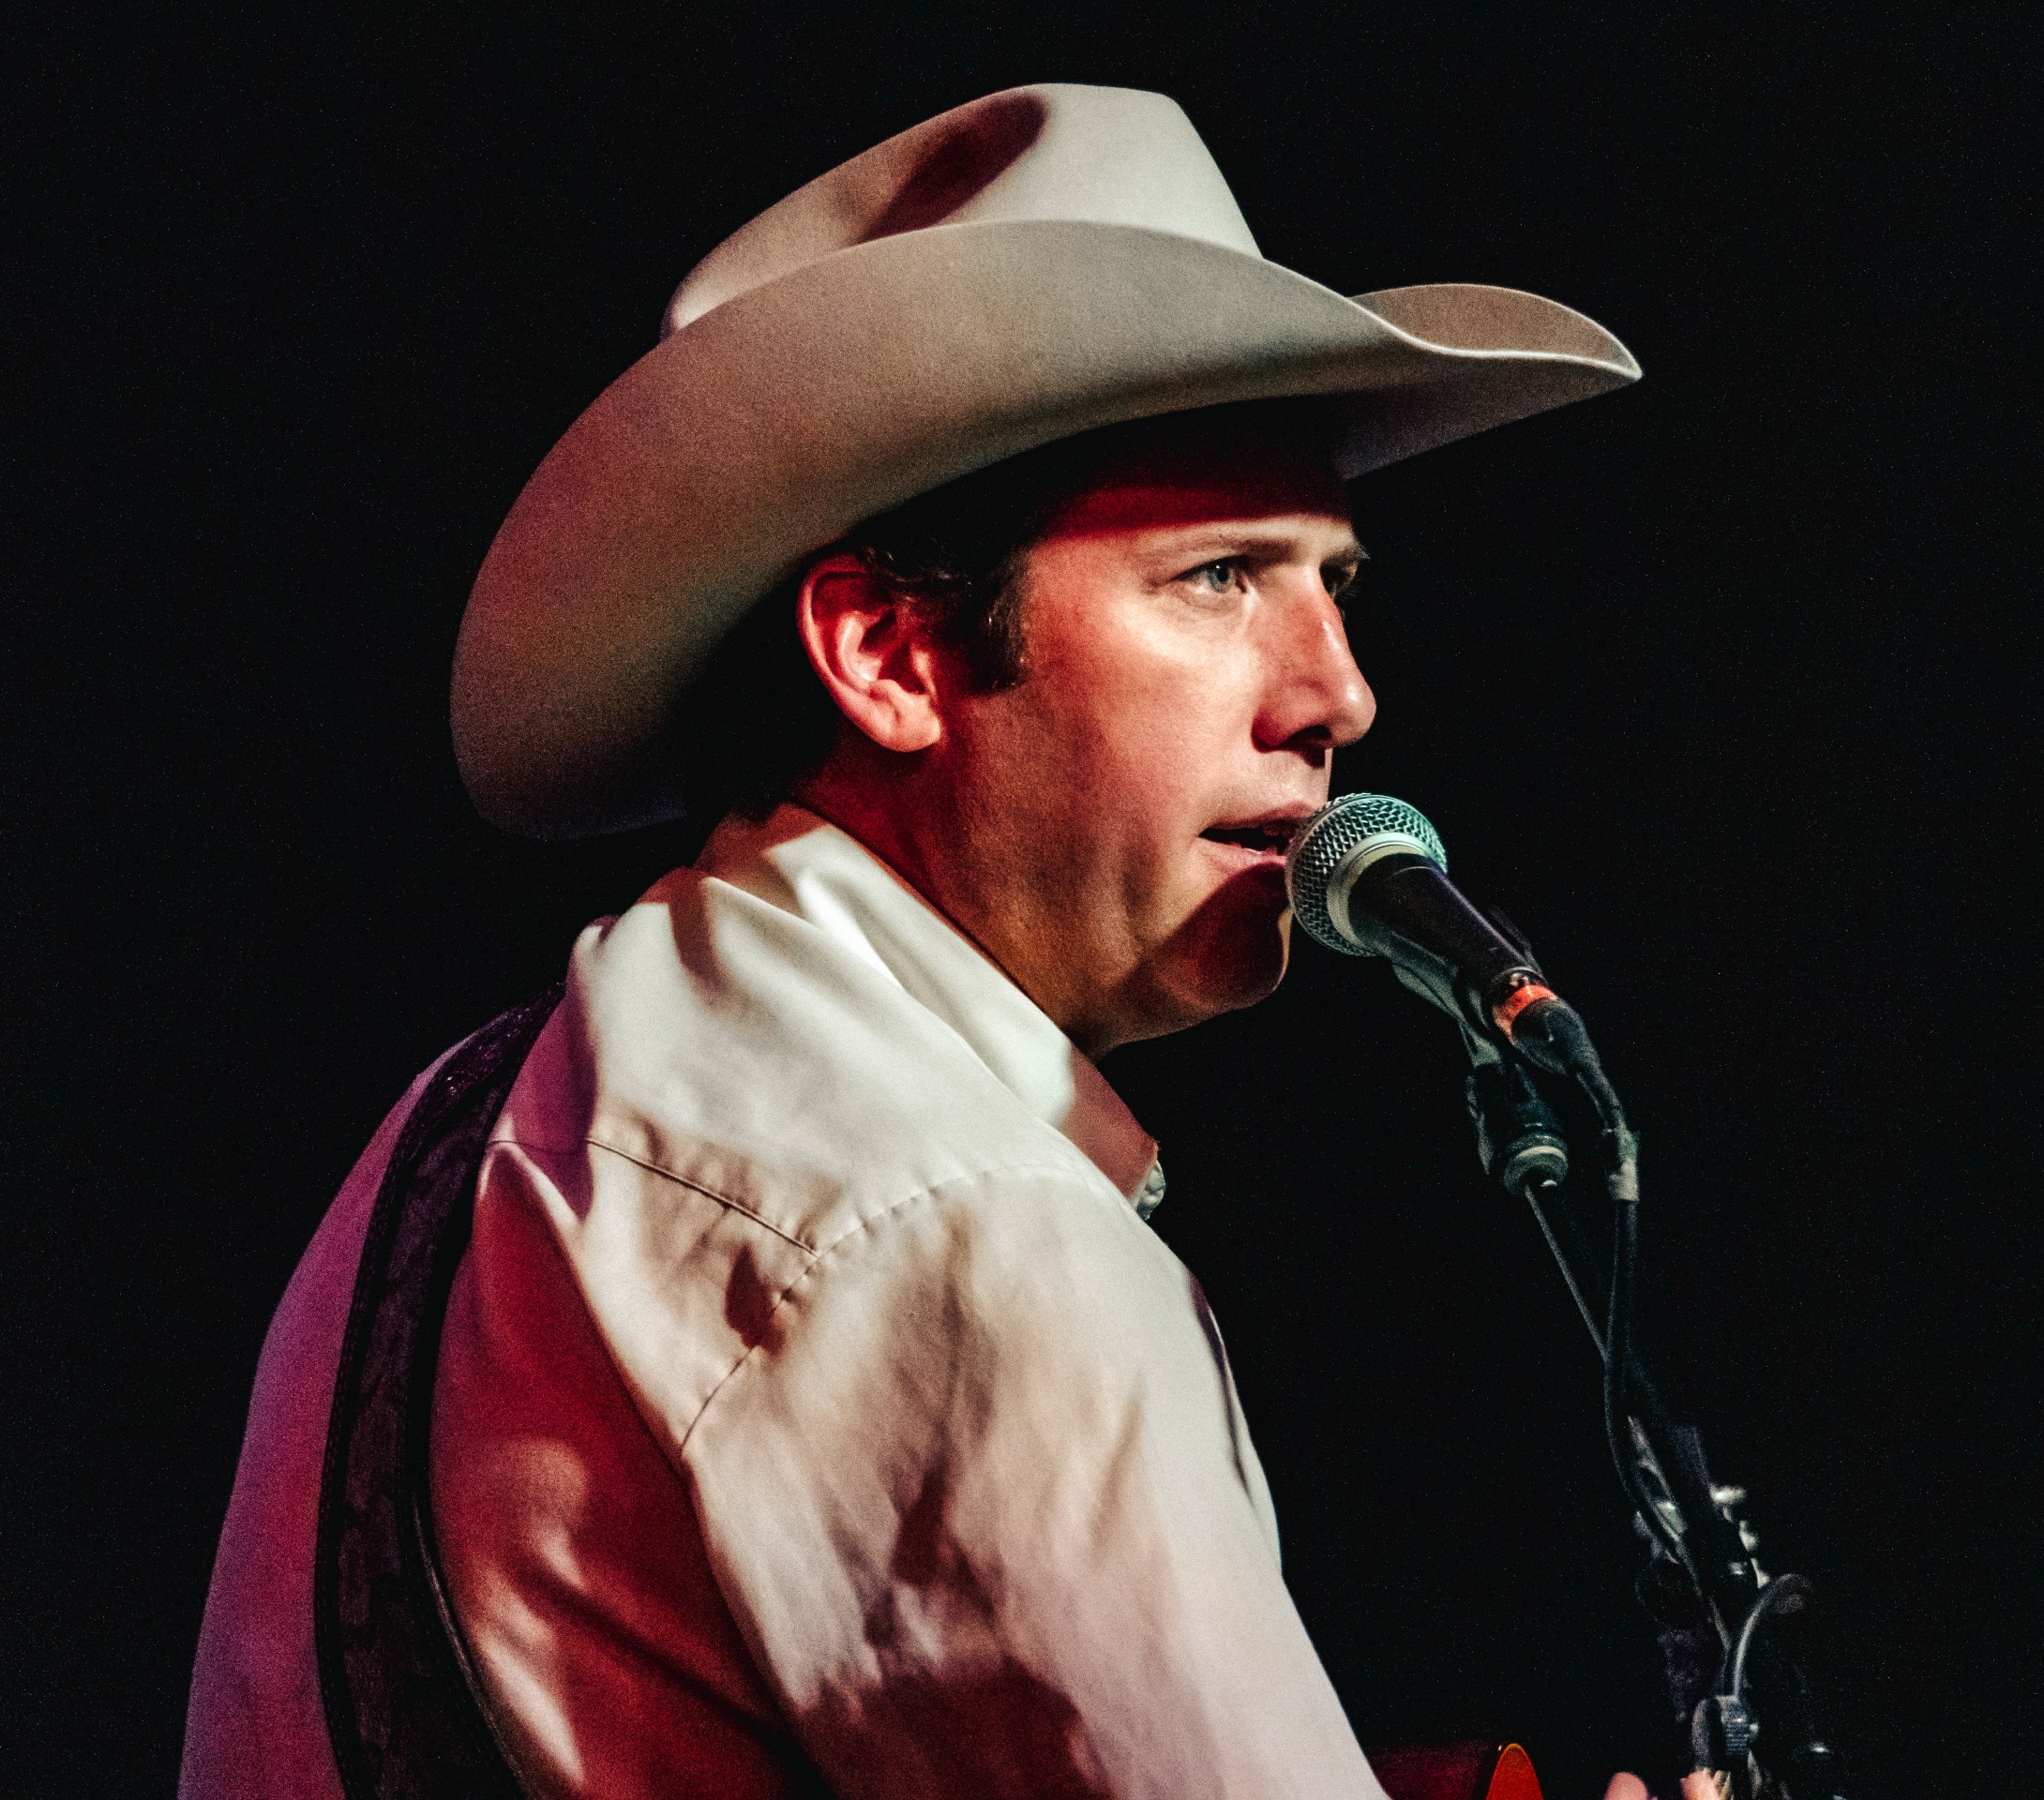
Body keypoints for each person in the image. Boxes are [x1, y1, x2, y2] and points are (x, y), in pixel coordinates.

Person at [179, 83, 1676, 1800]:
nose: (1339, 694)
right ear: (888, 652)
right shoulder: (967, 1231)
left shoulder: (470, 1128)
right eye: (1217, 577)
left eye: (1335, 582)